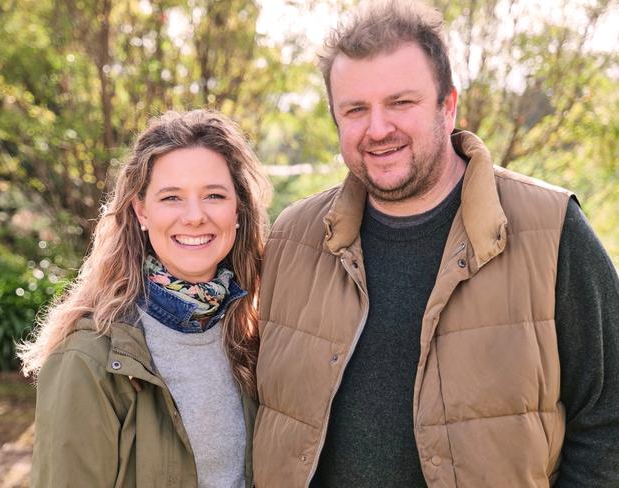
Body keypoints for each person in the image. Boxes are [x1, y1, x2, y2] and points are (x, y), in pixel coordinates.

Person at [253, 1, 619, 487]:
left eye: (401, 103)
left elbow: (608, 418)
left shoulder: (550, 229)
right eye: (356, 110)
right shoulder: (292, 239)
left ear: (448, 105)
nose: (377, 129)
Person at [18, 109, 271, 487]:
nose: (195, 216)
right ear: (141, 211)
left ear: (238, 210)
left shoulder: (253, 335)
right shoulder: (89, 359)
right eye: (171, 197)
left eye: (214, 195)